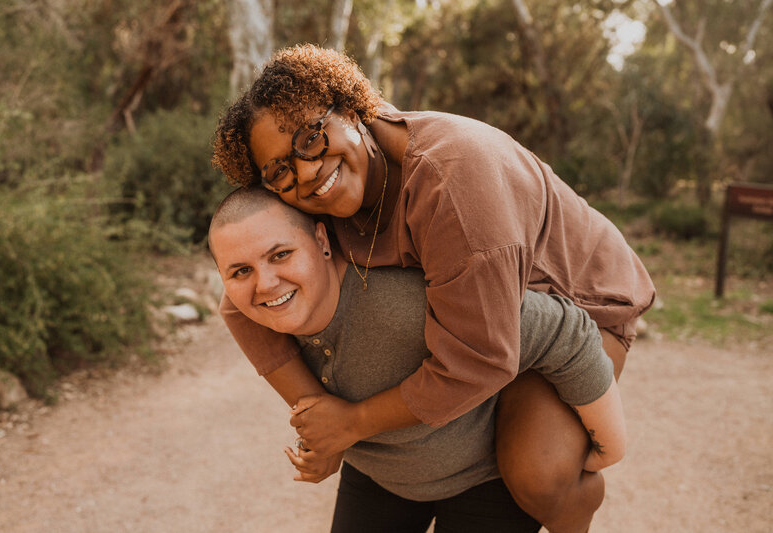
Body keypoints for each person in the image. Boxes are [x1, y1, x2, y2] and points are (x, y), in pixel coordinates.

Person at [212, 44, 655, 532]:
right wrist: (318, 418)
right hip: (492, 311)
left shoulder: (454, 182)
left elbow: (480, 359)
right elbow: (239, 306)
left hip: (577, 303)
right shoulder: (325, 194)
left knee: (537, 473)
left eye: (311, 138)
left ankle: (574, 503)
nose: (307, 171)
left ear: (354, 109)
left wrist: (352, 424)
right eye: (278, 170)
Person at [208, 187, 626, 533]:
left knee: (544, 479)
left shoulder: (410, 299)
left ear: (321, 241)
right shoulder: (251, 314)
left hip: (484, 477)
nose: (265, 283)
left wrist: (611, 442)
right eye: (240, 272)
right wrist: (323, 441)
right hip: (377, 477)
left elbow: (564, 330)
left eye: (281, 255)